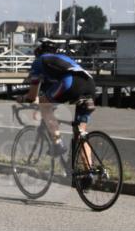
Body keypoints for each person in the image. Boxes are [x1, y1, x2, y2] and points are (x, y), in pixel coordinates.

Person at [18, 40, 97, 185]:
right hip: (90, 84)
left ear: (38, 53)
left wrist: (23, 98)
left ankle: (58, 143)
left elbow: (32, 96)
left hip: (71, 82)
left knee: (43, 104)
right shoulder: (62, 60)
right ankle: (89, 172)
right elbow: (52, 91)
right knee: (80, 133)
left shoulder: (39, 61)